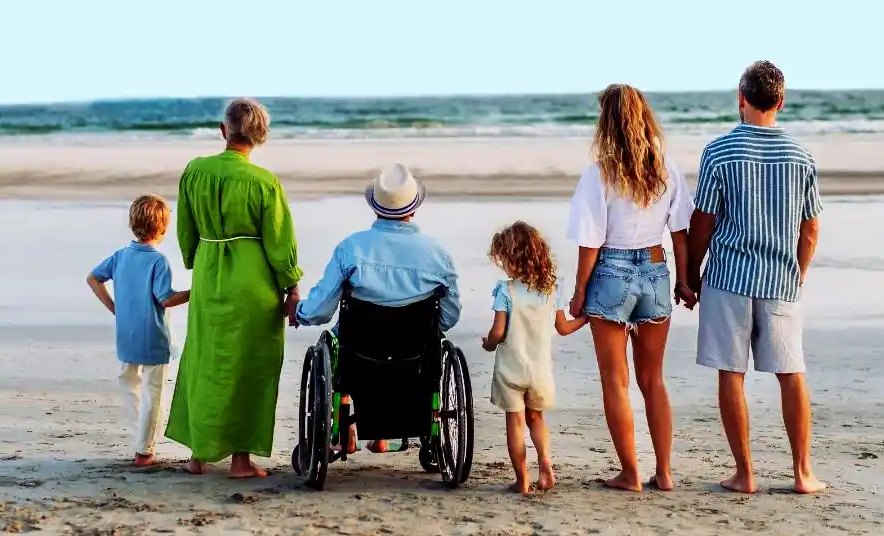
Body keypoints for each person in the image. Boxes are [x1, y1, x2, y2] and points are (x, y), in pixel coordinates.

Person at [686, 61, 827, 495]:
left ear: (741, 98)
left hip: (728, 277)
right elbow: (810, 227)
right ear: (780, 102)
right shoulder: (801, 156)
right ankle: (802, 473)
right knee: (791, 373)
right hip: (780, 279)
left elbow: (703, 221)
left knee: (731, 374)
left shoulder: (719, 151)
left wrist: (690, 273)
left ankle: (745, 473)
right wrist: (798, 273)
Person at [566, 84, 696, 492]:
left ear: (606, 123)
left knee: (615, 382)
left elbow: (590, 241)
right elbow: (680, 231)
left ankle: (630, 473)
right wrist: (684, 280)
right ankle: (665, 472)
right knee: (653, 379)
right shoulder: (666, 166)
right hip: (656, 269)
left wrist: (579, 291)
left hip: (611, 270)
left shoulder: (600, 173)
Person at [164, 98, 303, 479]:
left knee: (205, 360)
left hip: (209, 273)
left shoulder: (195, 171)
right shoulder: (263, 182)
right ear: (260, 136)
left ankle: (198, 454)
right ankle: (240, 461)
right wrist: (291, 287)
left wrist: (196, 259)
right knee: (250, 366)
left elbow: (186, 230)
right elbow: (280, 243)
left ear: (224, 130)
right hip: (252, 281)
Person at [294, 162, 461, 455]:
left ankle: (347, 427)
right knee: (427, 343)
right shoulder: (437, 255)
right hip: (416, 356)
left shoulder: (351, 248)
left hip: (360, 355)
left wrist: (300, 311)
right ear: (413, 209)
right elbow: (449, 317)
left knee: (336, 345)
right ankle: (388, 435)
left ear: (375, 208)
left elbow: (320, 309)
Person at [481, 221, 588, 495]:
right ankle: (545, 463)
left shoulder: (505, 290)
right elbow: (563, 328)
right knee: (536, 419)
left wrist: (488, 344)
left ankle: (522, 481)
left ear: (513, 258)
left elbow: (497, 332)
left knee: (515, 423)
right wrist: (586, 318)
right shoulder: (551, 289)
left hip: (510, 370)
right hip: (540, 371)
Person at [86, 194, 191, 467]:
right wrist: (194, 293)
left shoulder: (120, 256)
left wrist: (114, 308)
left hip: (127, 335)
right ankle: (145, 450)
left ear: (132, 224)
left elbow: (93, 278)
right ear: (164, 229)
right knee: (154, 391)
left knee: (129, 383)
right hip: (153, 337)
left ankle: (140, 437)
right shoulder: (158, 261)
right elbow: (166, 299)